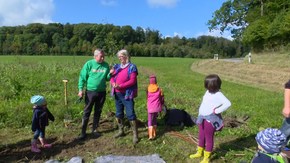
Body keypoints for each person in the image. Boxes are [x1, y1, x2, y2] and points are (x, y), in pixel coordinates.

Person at [189, 74, 231, 163]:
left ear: (214, 85)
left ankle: (206, 157)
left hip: (210, 120)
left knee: (209, 138)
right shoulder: (208, 92)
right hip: (202, 117)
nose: (206, 86)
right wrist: (200, 112)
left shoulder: (219, 94)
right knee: (201, 135)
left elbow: (228, 103)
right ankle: (199, 152)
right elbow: (204, 102)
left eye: (208, 84)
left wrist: (217, 111)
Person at [77, 48, 113, 140]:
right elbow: (82, 77)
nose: (102, 58)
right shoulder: (89, 64)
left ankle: (94, 130)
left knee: (98, 111)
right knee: (87, 111)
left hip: (101, 92)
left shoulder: (105, 65)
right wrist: (80, 90)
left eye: (103, 57)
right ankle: (83, 132)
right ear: (95, 56)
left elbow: (107, 78)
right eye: (101, 57)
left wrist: (111, 74)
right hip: (90, 92)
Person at [110, 49, 139, 144]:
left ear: (126, 56)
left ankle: (135, 135)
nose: (120, 58)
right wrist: (113, 83)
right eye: (119, 57)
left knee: (130, 113)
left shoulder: (132, 67)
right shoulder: (117, 66)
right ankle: (121, 131)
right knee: (118, 113)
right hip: (117, 93)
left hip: (127, 94)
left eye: (121, 56)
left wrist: (121, 86)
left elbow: (132, 81)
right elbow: (112, 77)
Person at [146, 75, 164, 140]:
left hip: (150, 107)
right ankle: (154, 134)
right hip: (157, 107)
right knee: (154, 120)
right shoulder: (159, 89)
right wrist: (162, 104)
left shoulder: (147, 89)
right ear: (156, 81)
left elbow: (147, 97)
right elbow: (162, 98)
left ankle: (150, 135)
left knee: (150, 121)